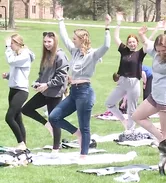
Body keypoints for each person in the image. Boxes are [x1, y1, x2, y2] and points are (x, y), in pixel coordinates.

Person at [48, 7, 111, 159]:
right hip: (74, 92)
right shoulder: (75, 51)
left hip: (85, 92)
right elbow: (63, 38)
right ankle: (77, 134)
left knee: (85, 125)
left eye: (75, 38)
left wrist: (107, 27)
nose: (73, 40)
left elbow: (107, 46)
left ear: (82, 39)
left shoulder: (93, 54)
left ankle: (83, 154)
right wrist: (60, 19)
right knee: (54, 116)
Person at [21, 31, 69, 153]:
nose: (47, 44)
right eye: (45, 41)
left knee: (54, 119)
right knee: (26, 109)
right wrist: (37, 82)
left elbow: (61, 77)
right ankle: (46, 125)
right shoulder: (46, 55)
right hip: (44, 91)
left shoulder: (60, 56)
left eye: (49, 42)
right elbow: (42, 74)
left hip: (55, 93)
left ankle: (56, 149)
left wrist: (47, 85)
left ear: (55, 41)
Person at [105, 12, 145, 131]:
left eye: (134, 42)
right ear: (127, 44)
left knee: (132, 109)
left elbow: (148, 42)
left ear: (137, 43)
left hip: (134, 83)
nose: (132, 44)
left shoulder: (140, 53)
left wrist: (156, 29)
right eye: (130, 42)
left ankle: (130, 130)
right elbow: (116, 37)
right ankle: (123, 120)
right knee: (109, 103)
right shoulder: (124, 51)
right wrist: (118, 23)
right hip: (122, 82)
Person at [3, 34, 35, 150]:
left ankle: (21, 142)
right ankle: (24, 146)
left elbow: (11, 61)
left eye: (11, 43)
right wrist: (8, 76)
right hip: (13, 89)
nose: (10, 46)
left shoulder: (25, 54)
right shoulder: (18, 54)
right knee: (17, 118)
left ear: (17, 43)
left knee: (9, 117)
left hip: (21, 91)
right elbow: (17, 69)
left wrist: (7, 48)